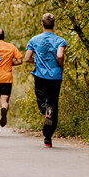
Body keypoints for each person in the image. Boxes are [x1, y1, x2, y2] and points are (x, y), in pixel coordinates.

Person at [24, 13, 67, 148]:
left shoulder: (34, 40)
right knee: (54, 103)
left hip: (40, 75)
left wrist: (36, 61)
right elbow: (60, 55)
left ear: (42, 24)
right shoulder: (60, 41)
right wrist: (61, 65)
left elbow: (26, 58)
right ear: (54, 25)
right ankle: (48, 138)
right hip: (55, 76)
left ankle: (46, 110)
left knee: (42, 100)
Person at [0, 28, 23, 136]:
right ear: (4, 37)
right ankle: (4, 109)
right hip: (6, 78)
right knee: (4, 101)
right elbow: (20, 60)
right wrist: (9, 63)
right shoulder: (11, 47)